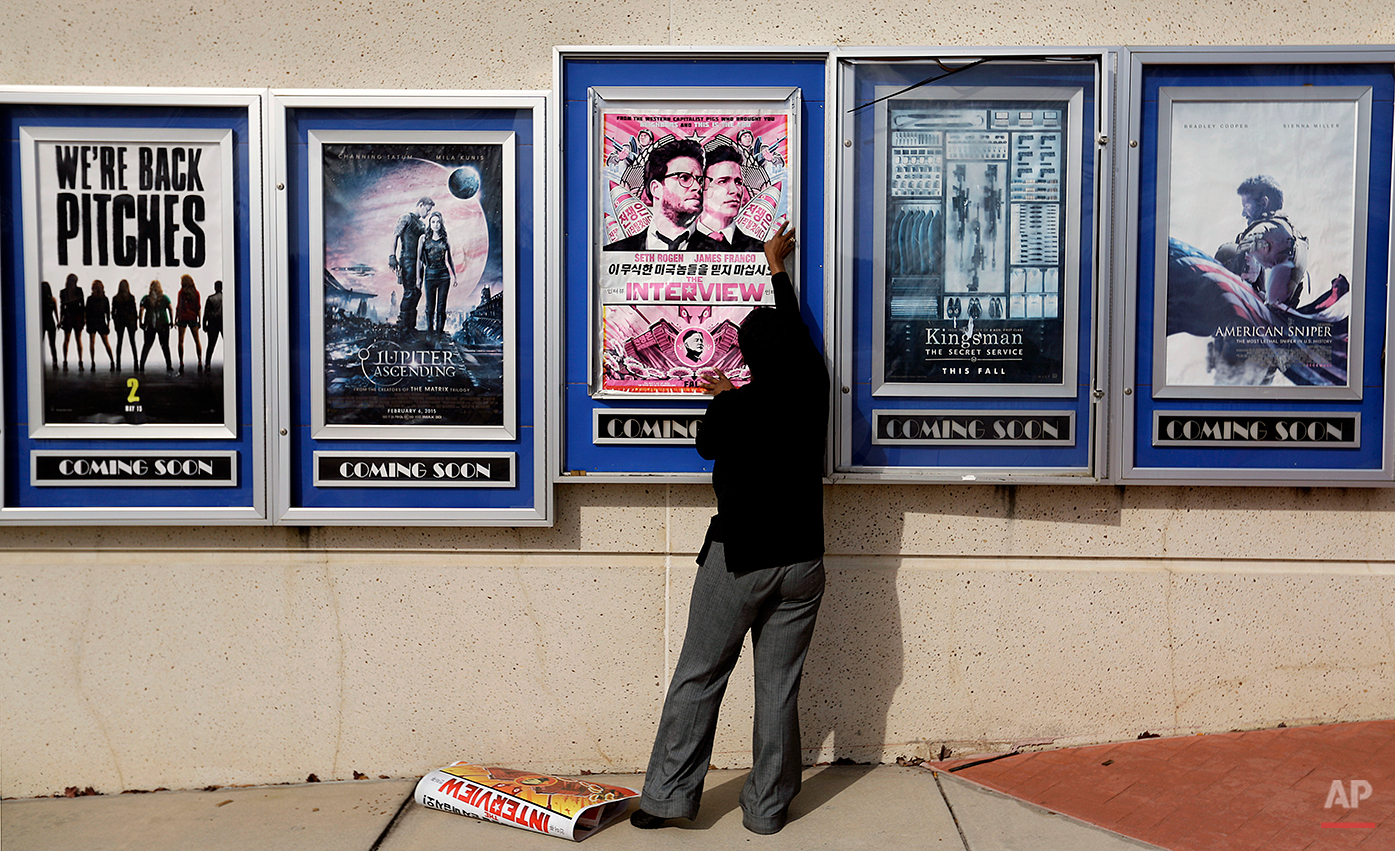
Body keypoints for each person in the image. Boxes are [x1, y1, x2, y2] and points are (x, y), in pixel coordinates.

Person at [631, 223, 829, 836]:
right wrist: (777, 270)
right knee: (778, 689)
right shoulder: (815, 387)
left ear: (746, 359)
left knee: (699, 675)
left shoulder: (735, 408)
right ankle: (767, 811)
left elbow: (706, 444)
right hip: (804, 563)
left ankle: (667, 798)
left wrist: (723, 396)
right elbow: (790, 333)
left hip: (740, 558)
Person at [1215, 175, 1309, 308]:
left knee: (1227, 251)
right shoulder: (1296, 237)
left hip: (1260, 315)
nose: (1243, 213)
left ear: (1264, 203)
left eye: (1246, 205)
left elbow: (1244, 249)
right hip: (1283, 316)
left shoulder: (1265, 230)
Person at [603, 139, 704, 252]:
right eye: (684, 178)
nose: (698, 187)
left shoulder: (721, 252)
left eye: (700, 180)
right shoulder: (616, 253)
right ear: (656, 189)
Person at [688, 144, 764, 252]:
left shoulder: (759, 250)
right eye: (723, 181)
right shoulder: (679, 246)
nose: (735, 190)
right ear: (701, 187)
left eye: (738, 182)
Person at [389, 197, 433, 331]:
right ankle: (403, 329)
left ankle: (410, 327)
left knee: (417, 293)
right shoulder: (406, 218)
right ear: (421, 205)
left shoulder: (422, 225)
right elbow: (395, 236)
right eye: (427, 209)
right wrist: (392, 256)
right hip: (407, 260)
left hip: (419, 262)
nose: (428, 213)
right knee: (409, 292)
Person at [415, 210, 458, 334]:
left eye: (438, 222)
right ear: (430, 223)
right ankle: (430, 332)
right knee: (429, 307)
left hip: (444, 277)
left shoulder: (445, 239)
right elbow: (419, 260)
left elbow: (449, 259)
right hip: (429, 276)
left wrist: (454, 276)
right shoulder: (424, 239)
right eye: (433, 222)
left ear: (441, 224)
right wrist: (418, 278)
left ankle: (439, 334)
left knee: (441, 307)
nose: (436, 224)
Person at [138, 280, 173, 373]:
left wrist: (140, 322)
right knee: (165, 345)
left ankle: (141, 365)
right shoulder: (164, 298)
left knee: (147, 345)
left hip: (149, 324)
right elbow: (170, 308)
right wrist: (172, 321)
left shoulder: (146, 298)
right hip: (163, 323)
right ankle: (169, 365)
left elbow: (141, 310)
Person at [175, 274, 203, 374]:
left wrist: (175, 318)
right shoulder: (196, 293)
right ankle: (199, 361)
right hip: (193, 317)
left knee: (181, 341)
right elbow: (198, 307)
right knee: (197, 340)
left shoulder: (181, 293)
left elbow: (178, 306)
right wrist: (200, 320)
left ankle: (181, 362)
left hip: (182, 317)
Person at [85, 280, 114, 372]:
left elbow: (87, 312)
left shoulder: (90, 299)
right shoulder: (104, 299)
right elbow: (108, 313)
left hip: (92, 321)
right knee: (106, 343)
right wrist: (108, 325)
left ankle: (93, 362)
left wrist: (86, 322)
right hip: (101, 321)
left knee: (92, 342)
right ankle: (112, 361)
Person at [58, 274, 85, 371]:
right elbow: (82, 306)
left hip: (69, 316)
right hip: (76, 316)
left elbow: (62, 307)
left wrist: (61, 319)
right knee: (77, 340)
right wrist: (84, 318)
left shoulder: (64, 292)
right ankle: (80, 362)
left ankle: (65, 361)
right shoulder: (78, 291)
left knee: (67, 340)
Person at [112, 279, 138, 371]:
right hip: (130, 320)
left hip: (120, 321)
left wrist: (115, 322)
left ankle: (118, 365)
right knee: (132, 342)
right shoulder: (131, 297)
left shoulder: (116, 298)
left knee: (119, 343)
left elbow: (113, 313)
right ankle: (136, 364)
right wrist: (135, 324)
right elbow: (134, 312)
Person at [202, 280, 224, 370]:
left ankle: (207, 364)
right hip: (223, 323)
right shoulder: (226, 298)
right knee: (228, 344)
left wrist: (204, 324)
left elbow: (206, 312)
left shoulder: (210, 299)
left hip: (212, 324)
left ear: (215, 287)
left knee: (210, 345)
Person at [40, 281, 58, 370]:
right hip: (50, 322)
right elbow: (55, 311)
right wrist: (58, 321)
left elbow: (55, 311)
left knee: (42, 343)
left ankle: (53, 361)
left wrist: (58, 321)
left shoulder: (40, 300)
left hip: (44, 323)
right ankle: (55, 361)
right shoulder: (52, 299)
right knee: (52, 343)